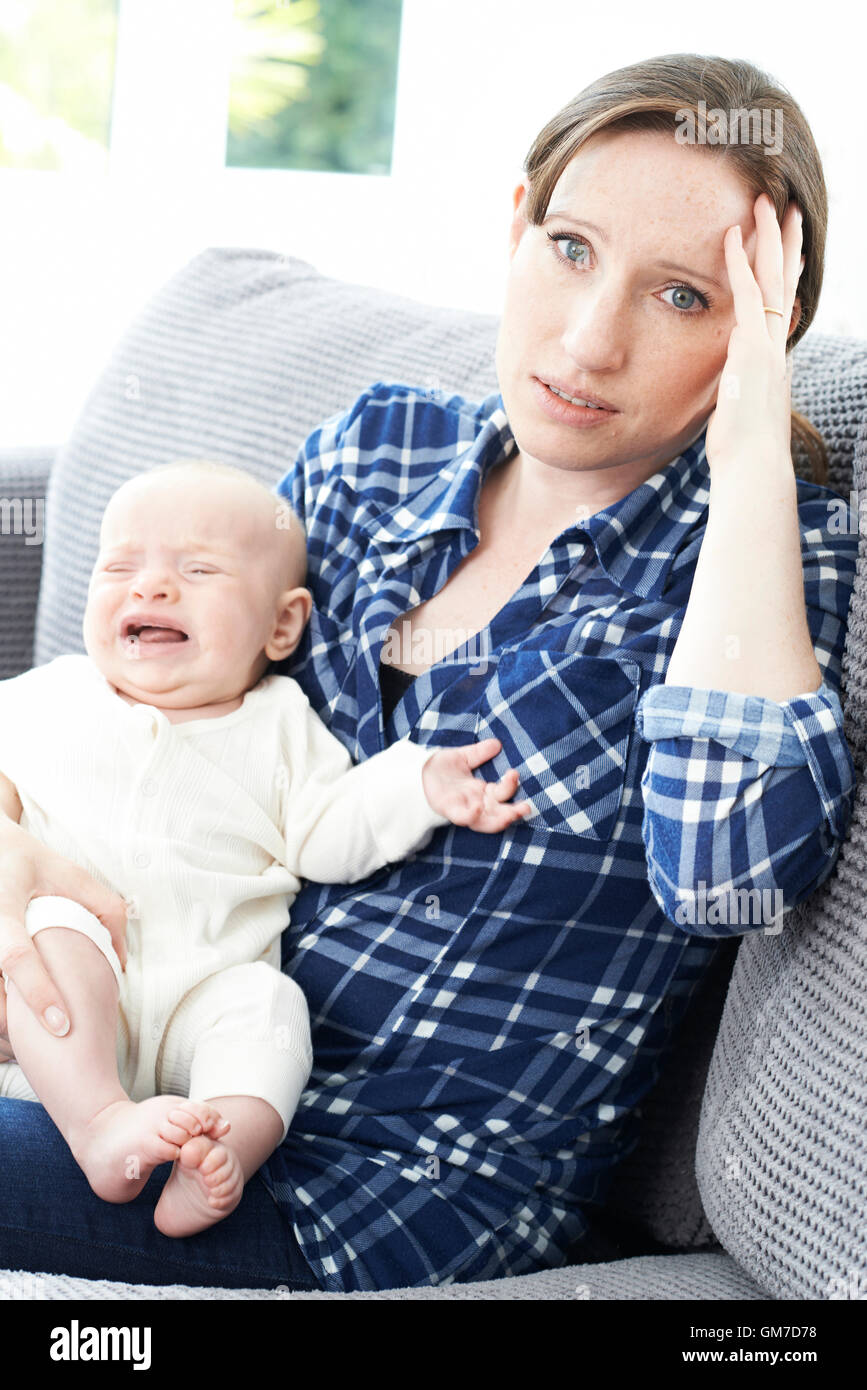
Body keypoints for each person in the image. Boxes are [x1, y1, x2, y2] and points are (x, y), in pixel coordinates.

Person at [0, 52, 858, 1293]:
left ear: (761, 330)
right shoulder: (380, 449)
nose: (589, 339)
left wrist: (753, 445)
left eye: (683, 298)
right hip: (166, 1051)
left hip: (388, 1184)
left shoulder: (758, 560)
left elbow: (730, 880)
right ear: (516, 222)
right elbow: (167, 711)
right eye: (570, 249)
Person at [0, 460, 531, 1239]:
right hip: (68, 1007)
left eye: (197, 570)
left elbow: (331, 829)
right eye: (119, 567)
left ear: (282, 626)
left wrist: (417, 783)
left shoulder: (281, 724)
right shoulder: (46, 698)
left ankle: (219, 1147)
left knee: (271, 1008)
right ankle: (100, 1124)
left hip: (202, 1001)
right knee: (51, 929)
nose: (149, 588)